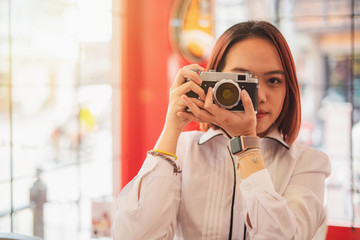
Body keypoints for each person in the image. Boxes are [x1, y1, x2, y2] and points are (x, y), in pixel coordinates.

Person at [113, 20, 331, 239]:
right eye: (242, 82)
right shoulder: (182, 151)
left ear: (289, 88)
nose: (259, 96)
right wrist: (172, 126)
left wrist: (247, 144)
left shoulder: (308, 164)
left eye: (273, 80)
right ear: (214, 82)